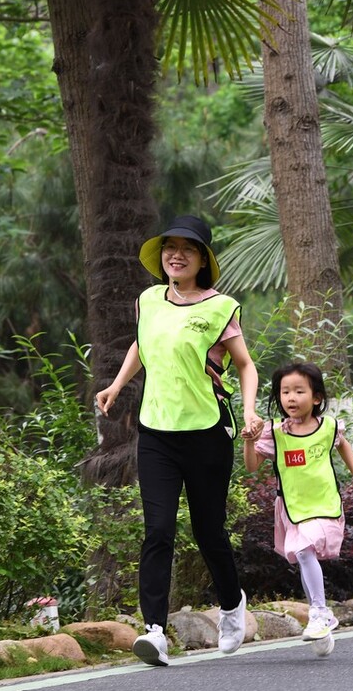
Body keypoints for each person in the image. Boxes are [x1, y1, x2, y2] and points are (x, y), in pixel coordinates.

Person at [95, 215, 264, 667]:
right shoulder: (148, 300)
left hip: (206, 432)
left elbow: (245, 364)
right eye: (170, 247)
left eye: (188, 249)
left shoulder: (221, 307)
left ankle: (232, 603)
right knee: (158, 530)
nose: (176, 255)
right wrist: (117, 385)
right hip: (156, 432)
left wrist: (249, 410)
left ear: (202, 260)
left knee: (209, 530)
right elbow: (141, 344)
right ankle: (155, 630)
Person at [244, 362, 353, 654]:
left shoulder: (329, 427)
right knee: (304, 556)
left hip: (325, 505)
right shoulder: (275, 433)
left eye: (299, 391)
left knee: (303, 550)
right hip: (293, 509)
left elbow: (342, 444)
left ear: (316, 397)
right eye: (285, 391)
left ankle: (320, 612)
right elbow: (251, 466)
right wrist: (250, 442)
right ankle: (321, 623)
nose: (291, 397)